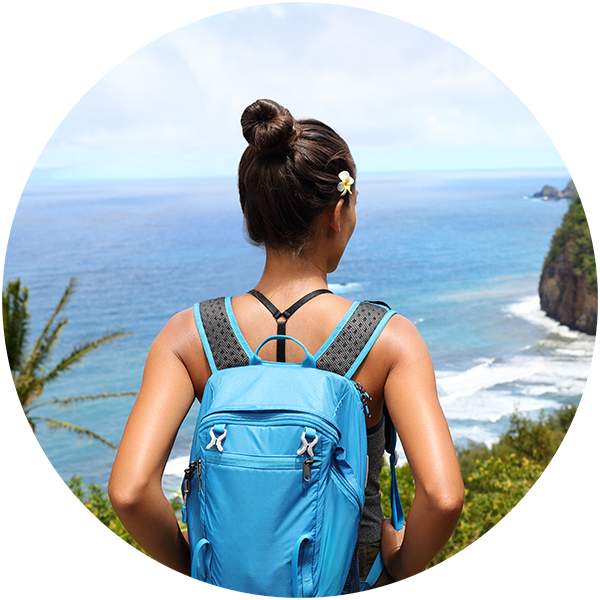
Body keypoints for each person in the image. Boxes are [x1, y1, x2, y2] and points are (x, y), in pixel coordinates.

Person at [109, 98, 464, 598]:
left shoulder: (188, 335)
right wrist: (404, 566)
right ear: (338, 213)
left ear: (253, 216)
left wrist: (191, 566)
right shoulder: (388, 339)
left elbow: (128, 491)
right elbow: (444, 497)